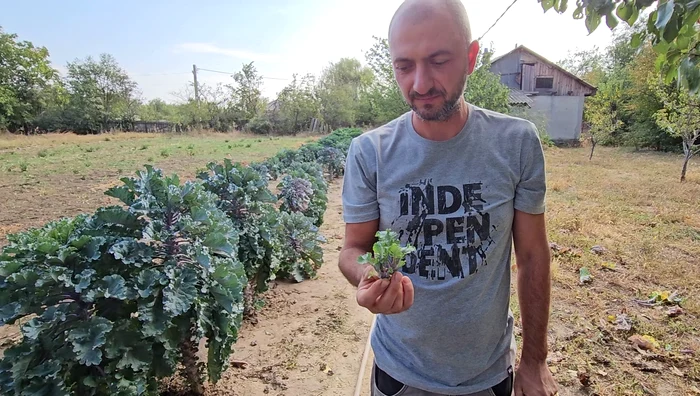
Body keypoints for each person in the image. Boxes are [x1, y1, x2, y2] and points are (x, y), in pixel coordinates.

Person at [337, 0, 559, 395]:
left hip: (488, 375)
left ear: (471, 57)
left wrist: (535, 359)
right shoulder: (369, 151)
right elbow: (353, 249)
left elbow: (532, 256)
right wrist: (367, 277)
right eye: (404, 66)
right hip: (399, 372)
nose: (420, 84)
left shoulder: (517, 143)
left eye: (438, 61)